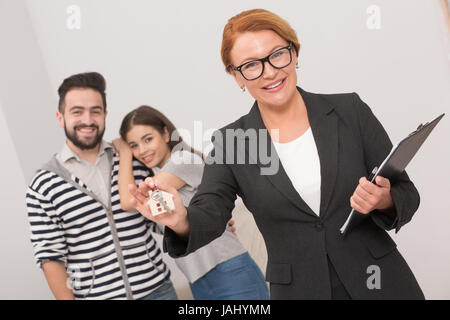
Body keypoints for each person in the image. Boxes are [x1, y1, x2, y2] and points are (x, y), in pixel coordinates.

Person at [128, 9, 425, 300]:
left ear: (294, 53)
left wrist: (384, 200)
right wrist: (181, 220)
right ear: (236, 77)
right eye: (251, 65)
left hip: (381, 280)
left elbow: (406, 193)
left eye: (277, 54)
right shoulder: (232, 142)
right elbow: (210, 211)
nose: (269, 71)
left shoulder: (349, 110)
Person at [25, 72, 177, 300]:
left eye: (95, 111)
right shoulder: (43, 185)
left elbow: (163, 220)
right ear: (60, 117)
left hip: (158, 291)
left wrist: (206, 221)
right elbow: (51, 258)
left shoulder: (132, 160)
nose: (87, 120)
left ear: (105, 115)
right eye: (77, 112)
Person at [112, 105, 269, 300]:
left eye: (148, 139)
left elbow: (128, 202)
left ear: (166, 134)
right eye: (133, 145)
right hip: (199, 281)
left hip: (229, 271)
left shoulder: (182, 161)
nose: (142, 150)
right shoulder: (162, 179)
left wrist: (125, 152)